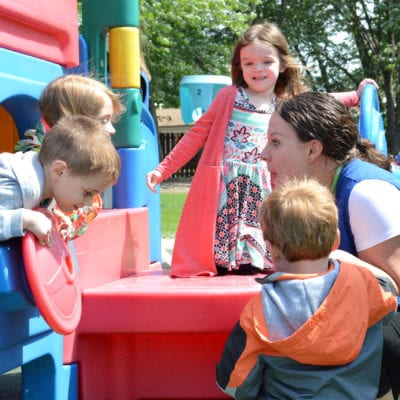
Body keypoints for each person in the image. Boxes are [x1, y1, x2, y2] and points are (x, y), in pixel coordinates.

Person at [146, 21, 377, 277]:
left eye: (266, 62)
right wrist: (163, 169)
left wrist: (356, 95)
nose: (258, 69)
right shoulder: (229, 97)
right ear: (239, 67)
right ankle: (226, 267)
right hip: (230, 183)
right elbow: (196, 135)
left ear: (281, 64)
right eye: (248, 63)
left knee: (267, 223)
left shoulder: (287, 103)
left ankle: (264, 266)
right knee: (228, 231)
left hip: (267, 177)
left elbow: (322, 101)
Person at [260, 91, 400, 398]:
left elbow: (394, 293)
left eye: (276, 142)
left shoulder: (366, 194)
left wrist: (329, 259)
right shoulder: (320, 197)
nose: (263, 153)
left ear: (312, 150)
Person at [216, 177, 397, 399]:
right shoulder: (366, 286)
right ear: (336, 241)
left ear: (271, 249)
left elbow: (235, 382)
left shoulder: (260, 311)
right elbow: (389, 311)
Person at [13, 74, 125, 240]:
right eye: (104, 120)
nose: (112, 129)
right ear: (77, 122)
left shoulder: (73, 164)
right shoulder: (39, 164)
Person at [0, 115, 121, 246]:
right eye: (87, 193)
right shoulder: (23, 186)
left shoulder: (47, 180)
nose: (90, 203)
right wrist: (26, 219)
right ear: (59, 171)